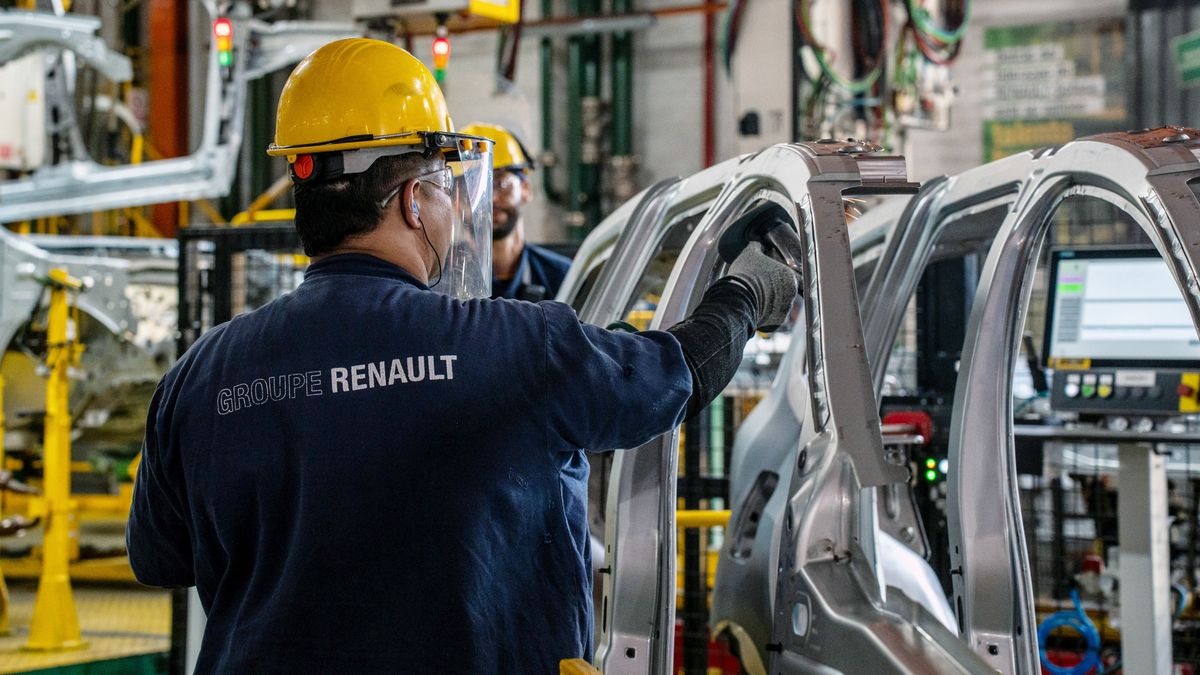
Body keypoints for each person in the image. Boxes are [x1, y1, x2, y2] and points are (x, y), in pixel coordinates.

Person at [126, 38, 797, 674]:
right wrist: (743, 293)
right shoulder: (512, 346)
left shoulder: (200, 377)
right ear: (414, 202)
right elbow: (672, 376)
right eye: (446, 186)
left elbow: (159, 557)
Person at [459, 122, 572, 301]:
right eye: (473, 187)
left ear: (526, 189)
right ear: (455, 200)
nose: (491, 198)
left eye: (501, 184)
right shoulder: (436, 279)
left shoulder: (563, 278)